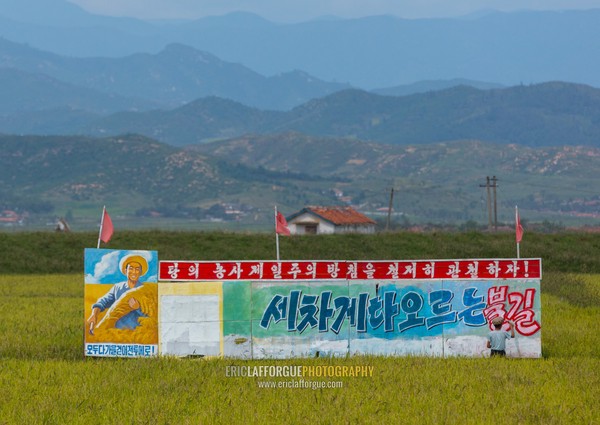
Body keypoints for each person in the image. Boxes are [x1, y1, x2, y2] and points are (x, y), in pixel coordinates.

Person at [87, 254, 148, 334]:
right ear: (125, 271)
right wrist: (94, 314)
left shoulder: (145, 290)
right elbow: (103, 301)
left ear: (140, 272)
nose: (134, 272)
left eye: (137, 269)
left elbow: (151, 316)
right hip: (116, 332)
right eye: (131, 268)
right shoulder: (118, 287)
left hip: (138, 333)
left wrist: (138, 308)